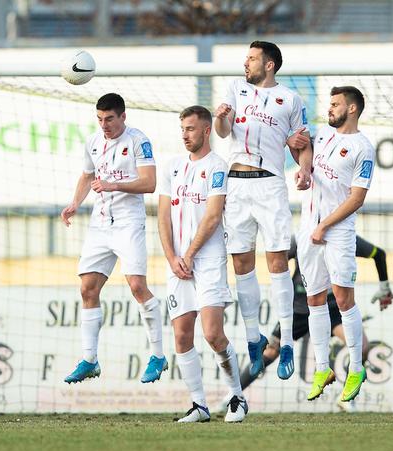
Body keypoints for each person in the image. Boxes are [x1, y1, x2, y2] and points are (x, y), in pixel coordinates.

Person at [214, 40, 313, 381]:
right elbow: (223, 132)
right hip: (237, 185)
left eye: (252, 59)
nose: (246, 63)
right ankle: (254, 339)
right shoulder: (235, 89)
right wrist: (222, 121)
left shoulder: (290, 99)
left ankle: (285, 341)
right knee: (241, 263)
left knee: (277, 262)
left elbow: (302, 142)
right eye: (246, 58)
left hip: (270, 184)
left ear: (269, 65)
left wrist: (305, 168)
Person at [61, 93, 166, 384]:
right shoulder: (93, 142)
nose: (104, 125)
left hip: (129, 223)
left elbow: (150, 182)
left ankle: (157, 355)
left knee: (136, 286)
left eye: (109, 119)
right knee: (87, 289)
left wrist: (113, 184)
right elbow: (86, 176)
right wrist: (74, 204)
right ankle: (89, 360)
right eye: (100, 119)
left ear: (122, 117)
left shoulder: (137, 141)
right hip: (100, 223)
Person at [159, 106, 247, 423]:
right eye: (182, 128)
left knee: (212, 334)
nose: (185, 134)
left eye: (191, 129)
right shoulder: (171, 167)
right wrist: (172, 257)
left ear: (207, 130)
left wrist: (190, 254)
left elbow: (212, 217)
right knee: (181, 335)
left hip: (207, 260)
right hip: (178, 263)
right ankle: (199, 405)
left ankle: (237, 396)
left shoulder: (218, 167)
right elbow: (163, 216)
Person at [239, 235, 393, 393]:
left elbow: (378, 254)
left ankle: (347, 398)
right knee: (271, 351)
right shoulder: (301, 238)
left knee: (362, 348)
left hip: (331, 308)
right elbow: (277, 260)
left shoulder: (343, 235)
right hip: (299, 309)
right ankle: (234, 394)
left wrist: (384, 287)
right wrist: (279, 287)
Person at [297, 86, 374, 403]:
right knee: (314, 298)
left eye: (335, 105)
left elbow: (357, 198)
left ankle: (356, 368)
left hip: (337, 232)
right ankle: (322, 368)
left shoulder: (362, 148)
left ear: (352, 109)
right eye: (329, 104)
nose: (330, 109)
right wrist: (303, 169)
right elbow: (304, 151)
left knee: (342, 299)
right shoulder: (322, 136)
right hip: (307, 228)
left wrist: (325, 225)